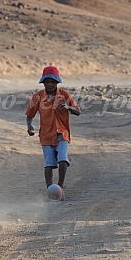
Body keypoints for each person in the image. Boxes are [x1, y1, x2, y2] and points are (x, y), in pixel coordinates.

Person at [25, 66, 81, 199]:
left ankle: (60, 187)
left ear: (57, 83)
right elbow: (29, 115)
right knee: (49, 164)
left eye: (53, 82)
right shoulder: (37, 97)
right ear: (43, 83)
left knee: (63, 159)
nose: (50, 84)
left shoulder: (64, 95)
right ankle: (50, 191)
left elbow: (78, 111)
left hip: (62, 134)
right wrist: (29, 127)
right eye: (47, 82)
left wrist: (68, 107)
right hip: (46, 135)